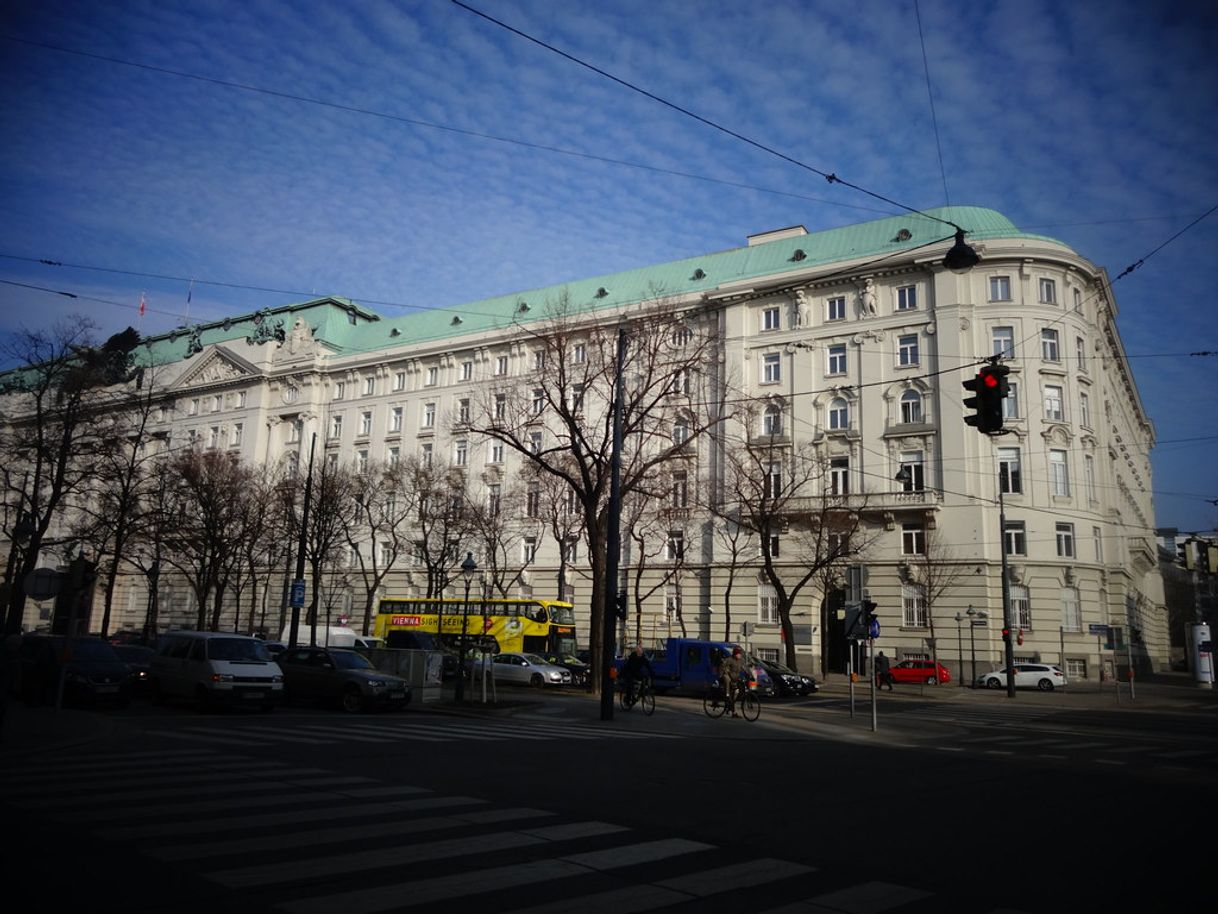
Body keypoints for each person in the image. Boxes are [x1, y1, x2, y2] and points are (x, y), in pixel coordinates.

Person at [718, 646, 749, 716]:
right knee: (727, 679)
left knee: (735, 694)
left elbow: (745, 668)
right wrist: (725, 671)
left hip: (735, 678)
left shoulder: (741, 661)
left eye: (740, 654)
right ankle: (727, 694)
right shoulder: (730, 659)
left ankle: (732, 711)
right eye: (738, 654)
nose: (739, 655)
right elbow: (722, 666)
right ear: (735, 654)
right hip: (728, 676)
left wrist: (750, 675)